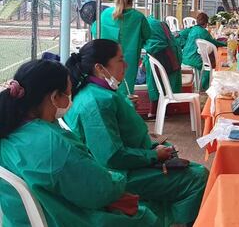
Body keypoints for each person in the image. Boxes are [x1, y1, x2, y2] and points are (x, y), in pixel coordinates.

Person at [64, 39, 208, 225]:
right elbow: (111, 157)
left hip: (128, 164)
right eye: (120, 60)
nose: (126, 64)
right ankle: (177, 222)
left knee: (190, 169)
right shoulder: (97, 102)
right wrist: (152, 155)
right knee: (197, 179)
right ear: (100, 68)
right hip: (118, 175)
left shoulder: (99, 93)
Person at [0, 60, 157, 226]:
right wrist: (115, 178)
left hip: (20, 219)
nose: (71, 98)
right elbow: (101, 191)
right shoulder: (55, 145)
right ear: (54, 97)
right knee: (144, 216)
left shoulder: (9, 126)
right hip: (62, 218)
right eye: (69, 93)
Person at [92, 0, 151, 96]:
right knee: (126, 91)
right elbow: (148, 35)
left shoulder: (105, 14)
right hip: (129, 60)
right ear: (132, 0)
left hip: (106, 58)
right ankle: (124, 110)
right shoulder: (138, 17)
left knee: (107, 86)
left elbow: (95, 30)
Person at [143, 15, 183, 118]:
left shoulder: (144, 25)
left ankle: (155, 111)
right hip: (172, 52)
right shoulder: (156, 23)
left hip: (164, 54)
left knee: (154, 82)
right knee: (166, 84)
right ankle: (168, 110)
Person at [178, 12, 226, 90]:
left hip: (184, 57)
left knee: (207, 58)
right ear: (206, 23)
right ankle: (205, 85)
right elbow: (214, 43)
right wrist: (225, 44)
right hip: (193, 60)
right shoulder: (204, 32)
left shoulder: (192, 29)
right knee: (209, 63)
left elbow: (180, 34)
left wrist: (184, 43)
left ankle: (201, 84)